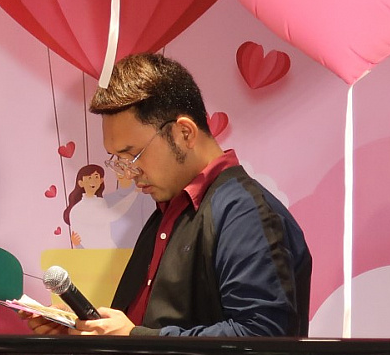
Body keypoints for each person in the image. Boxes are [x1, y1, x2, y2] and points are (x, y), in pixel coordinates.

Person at [28, 52, 312, 337]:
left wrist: (136, 339)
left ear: (184, 133)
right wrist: (86, 331)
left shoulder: (245, 213)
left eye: (132, 155)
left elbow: (264, 336)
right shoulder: (169, 209)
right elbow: (147, 325)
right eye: (118, 160)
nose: (128, 172)